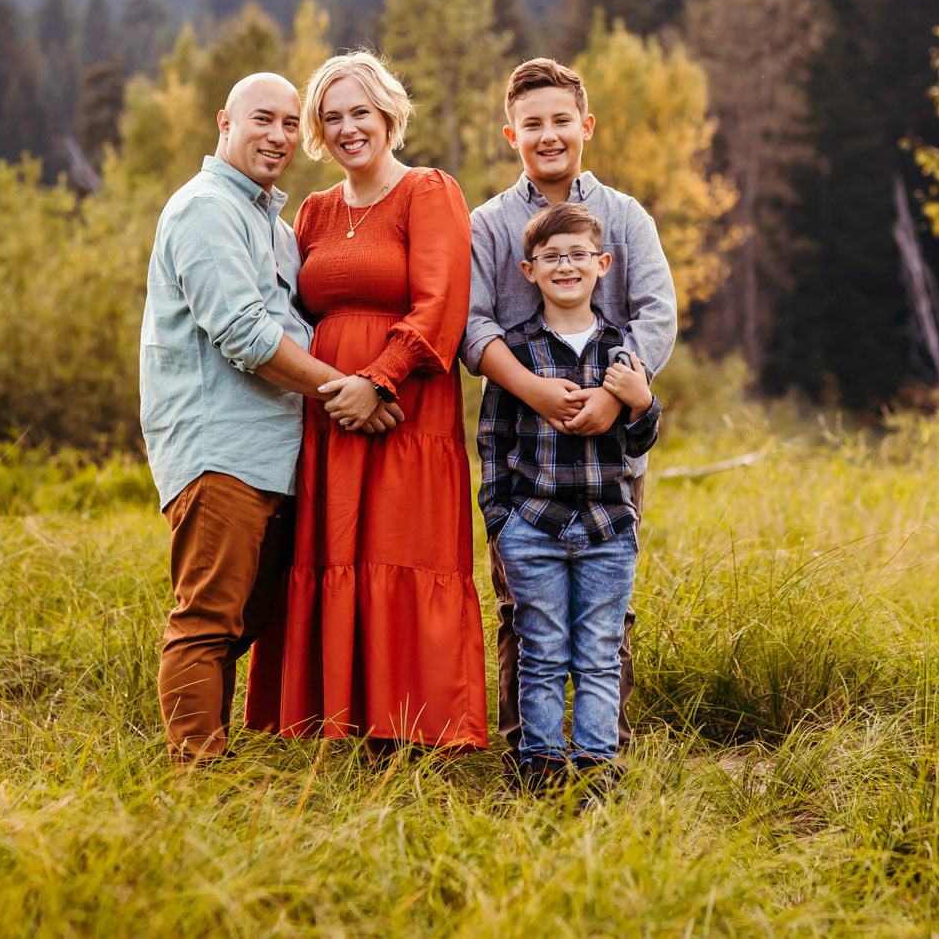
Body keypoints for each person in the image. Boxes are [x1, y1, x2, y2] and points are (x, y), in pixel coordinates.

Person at [141, 72, 401, 765]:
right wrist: (347, 387)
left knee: (248, 618)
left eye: (291, 124)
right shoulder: (203, 209)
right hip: (219, 447)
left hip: (276, 452)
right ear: (224, 122)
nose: (279, 136)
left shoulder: (275, 228)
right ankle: (196, 772)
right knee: (207, 617)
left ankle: (209, 756)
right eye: (264, 119)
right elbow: (246, 334)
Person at [244, 50, 488, 748]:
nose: (349, 127)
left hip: (405, 416)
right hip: (329, 420)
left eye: (360, 112)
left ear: (388, 115)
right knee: (331, 555)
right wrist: (332, 390)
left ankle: (411, 728)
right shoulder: (315, 212)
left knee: (400, 553)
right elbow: (287, 311)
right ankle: (335, 721)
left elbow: (441, 303)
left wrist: (376, 379)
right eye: (332, 116)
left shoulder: (429, 191)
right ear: (320, 131)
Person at [463, 57, 678, 764]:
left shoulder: (624, 216)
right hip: (528, 456)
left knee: (607, 616)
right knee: (523, 613)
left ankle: (599, 754)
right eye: (533, 124)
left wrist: (617, 393)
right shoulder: (491, 225)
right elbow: (473, 323)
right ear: (511, 134)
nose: (548, 135)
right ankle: (529, 750)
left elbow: (657, 313)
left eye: (561, 120)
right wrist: (533, 389)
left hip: (613, 461)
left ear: (585, 125)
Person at [478, 202, 660, 795]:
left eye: (578, 255)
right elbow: (493, 440)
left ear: (603, 264)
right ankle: (543, 767)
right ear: (528, 271)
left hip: (608, 525)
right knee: (542, 651)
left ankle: (596, 768)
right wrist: (500, 520)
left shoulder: (621, 353)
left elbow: (639, 440)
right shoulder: (517, 352)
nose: (565, 267)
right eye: (551, 257)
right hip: (533, 526)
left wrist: (640, 401)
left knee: (600, 654)